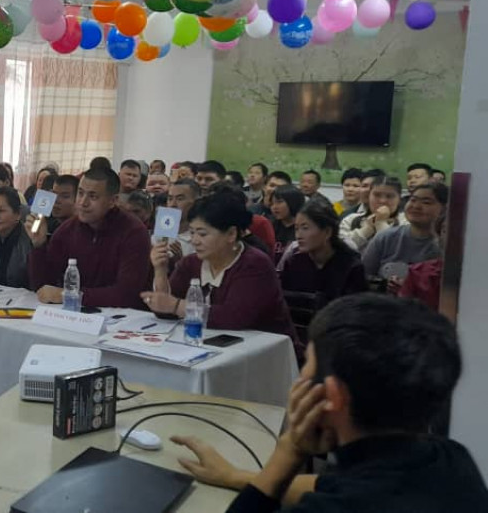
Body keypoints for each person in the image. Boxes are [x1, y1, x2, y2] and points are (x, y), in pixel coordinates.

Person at [173, 294, 487, 513]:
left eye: (307, 363)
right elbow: (333, 483)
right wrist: (235, 476)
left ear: (332, 395)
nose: (299, 378)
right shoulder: (450, 458)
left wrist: (289, 449)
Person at [140, 191, 301, 350]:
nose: (195, 241)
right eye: (192, 232)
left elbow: (234, 317)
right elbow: (165, 311)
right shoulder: (191, 263)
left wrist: (176, 306)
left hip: (265, 350)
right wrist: (160, 270)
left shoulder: (255, 264)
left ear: (231, 234)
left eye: (202, 234)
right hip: (210, 346)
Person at [27, 167, 152, 308]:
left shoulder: (134, 232)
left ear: (113, 201)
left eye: (93, 196)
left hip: (124, 316)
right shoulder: (68, 229)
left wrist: (70, 295)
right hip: (76, 312)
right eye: (80, 193)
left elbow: (126, 294)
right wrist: (38, 246)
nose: (83, 202)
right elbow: (43, 288)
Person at [278, 201, 369, 303]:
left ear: (327, 232)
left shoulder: (351, 267)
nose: (298, 236)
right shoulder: (294, 261)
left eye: (305, 228)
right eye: (296, 229)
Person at [363, 183, 447, 280]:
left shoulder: (446, 244)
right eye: (413, 200)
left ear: (444, 208)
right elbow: (364, 275)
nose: (416, 206)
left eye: (426, 202)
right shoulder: (385, 237)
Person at [339, 175, 405, 253]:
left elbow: (398, 251)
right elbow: (340, 249)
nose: (382, 201)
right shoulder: (351, 219)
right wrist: (367, 229)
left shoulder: (407, 223)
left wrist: (381, 223)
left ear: (399, 199)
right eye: (377, 195)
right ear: (369, 196)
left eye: (389, 196)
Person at [166, 179, 201, 259]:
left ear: (196, 202)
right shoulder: (159, 234)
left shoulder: (201, 238)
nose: (172, 205)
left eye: (180, 199)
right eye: (170, 199)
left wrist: (181, 261)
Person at [270, 185, 306, 261]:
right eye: (272, 203)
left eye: (279, 202)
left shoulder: (305, 228)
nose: (274, 207)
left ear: (293, 202)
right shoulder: (270, 225)